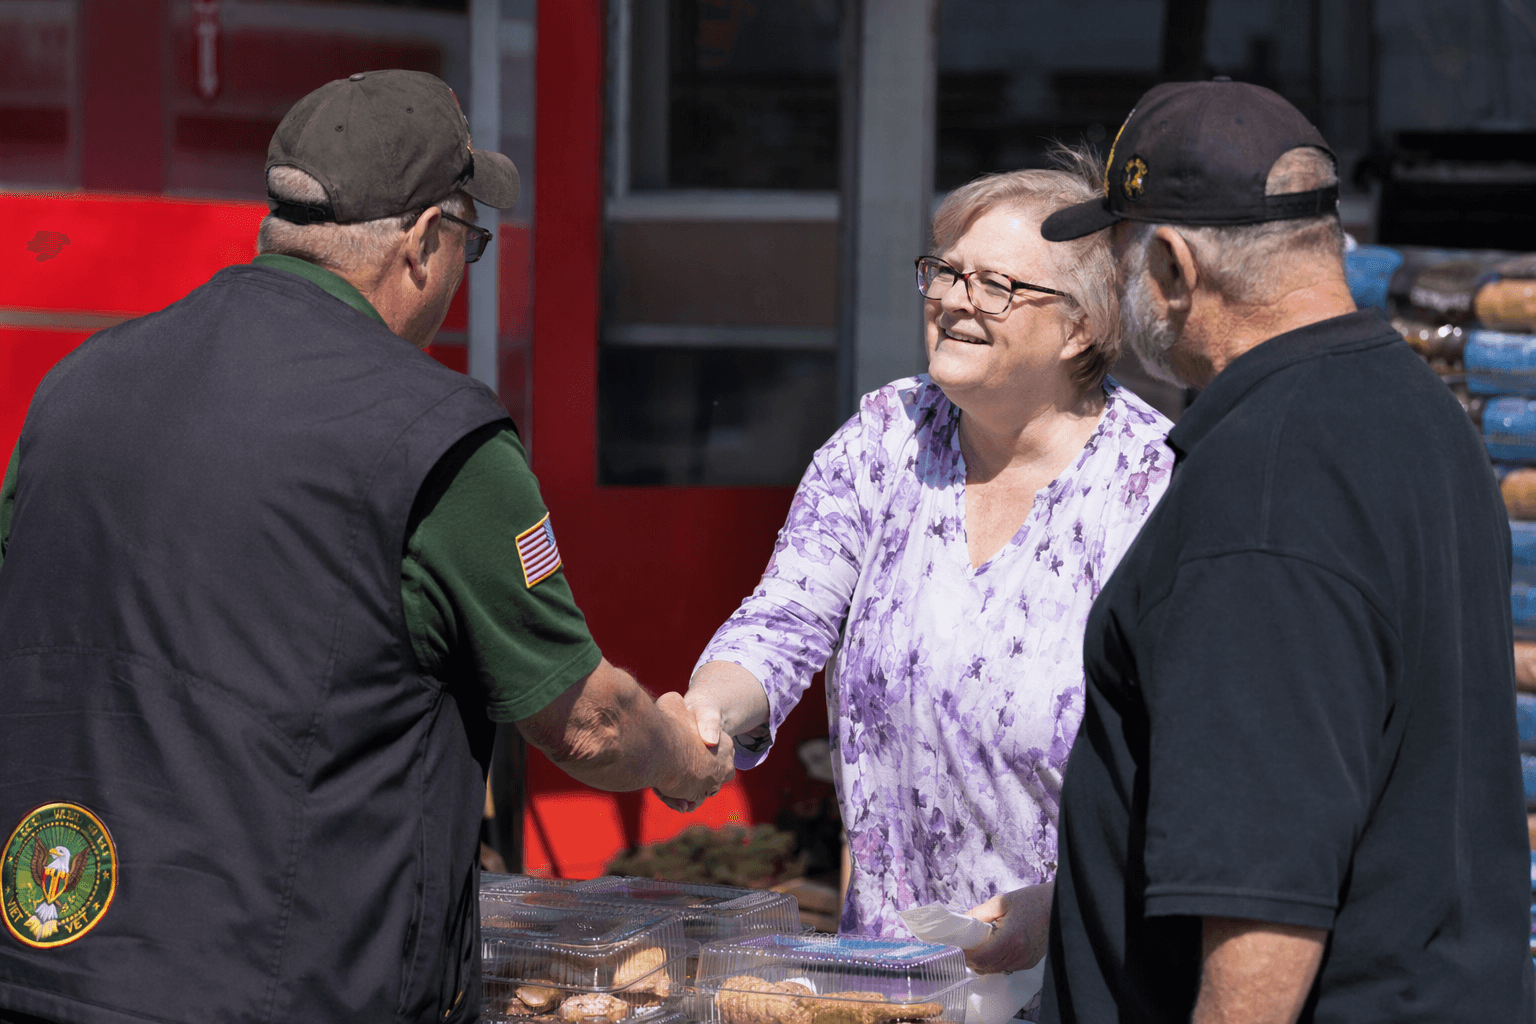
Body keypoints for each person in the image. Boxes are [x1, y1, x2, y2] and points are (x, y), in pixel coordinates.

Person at [0, 70, 731, 1024]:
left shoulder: (76, 388)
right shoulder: (439, 433)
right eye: (471, 242)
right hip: (282, 986)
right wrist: (682, 755)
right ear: (426, 242)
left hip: (45, 964)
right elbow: (585, 723)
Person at [1037, 80, 1536, 1023]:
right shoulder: (1414, 407)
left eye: (1118, 255)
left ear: (1176, 268)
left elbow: (1262, 896)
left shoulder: (1264, 483)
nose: (1112, 286)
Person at [681, 164, 1175, 1013]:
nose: (953, 297)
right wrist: (704, 715)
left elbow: (1182, 769)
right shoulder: (887, 435)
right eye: (945, 271)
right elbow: (786, 616)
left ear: (1080, 327)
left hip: (1075, 976)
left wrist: (1061, 910)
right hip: (884, 983)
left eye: (995, 284)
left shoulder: (1152, 488)